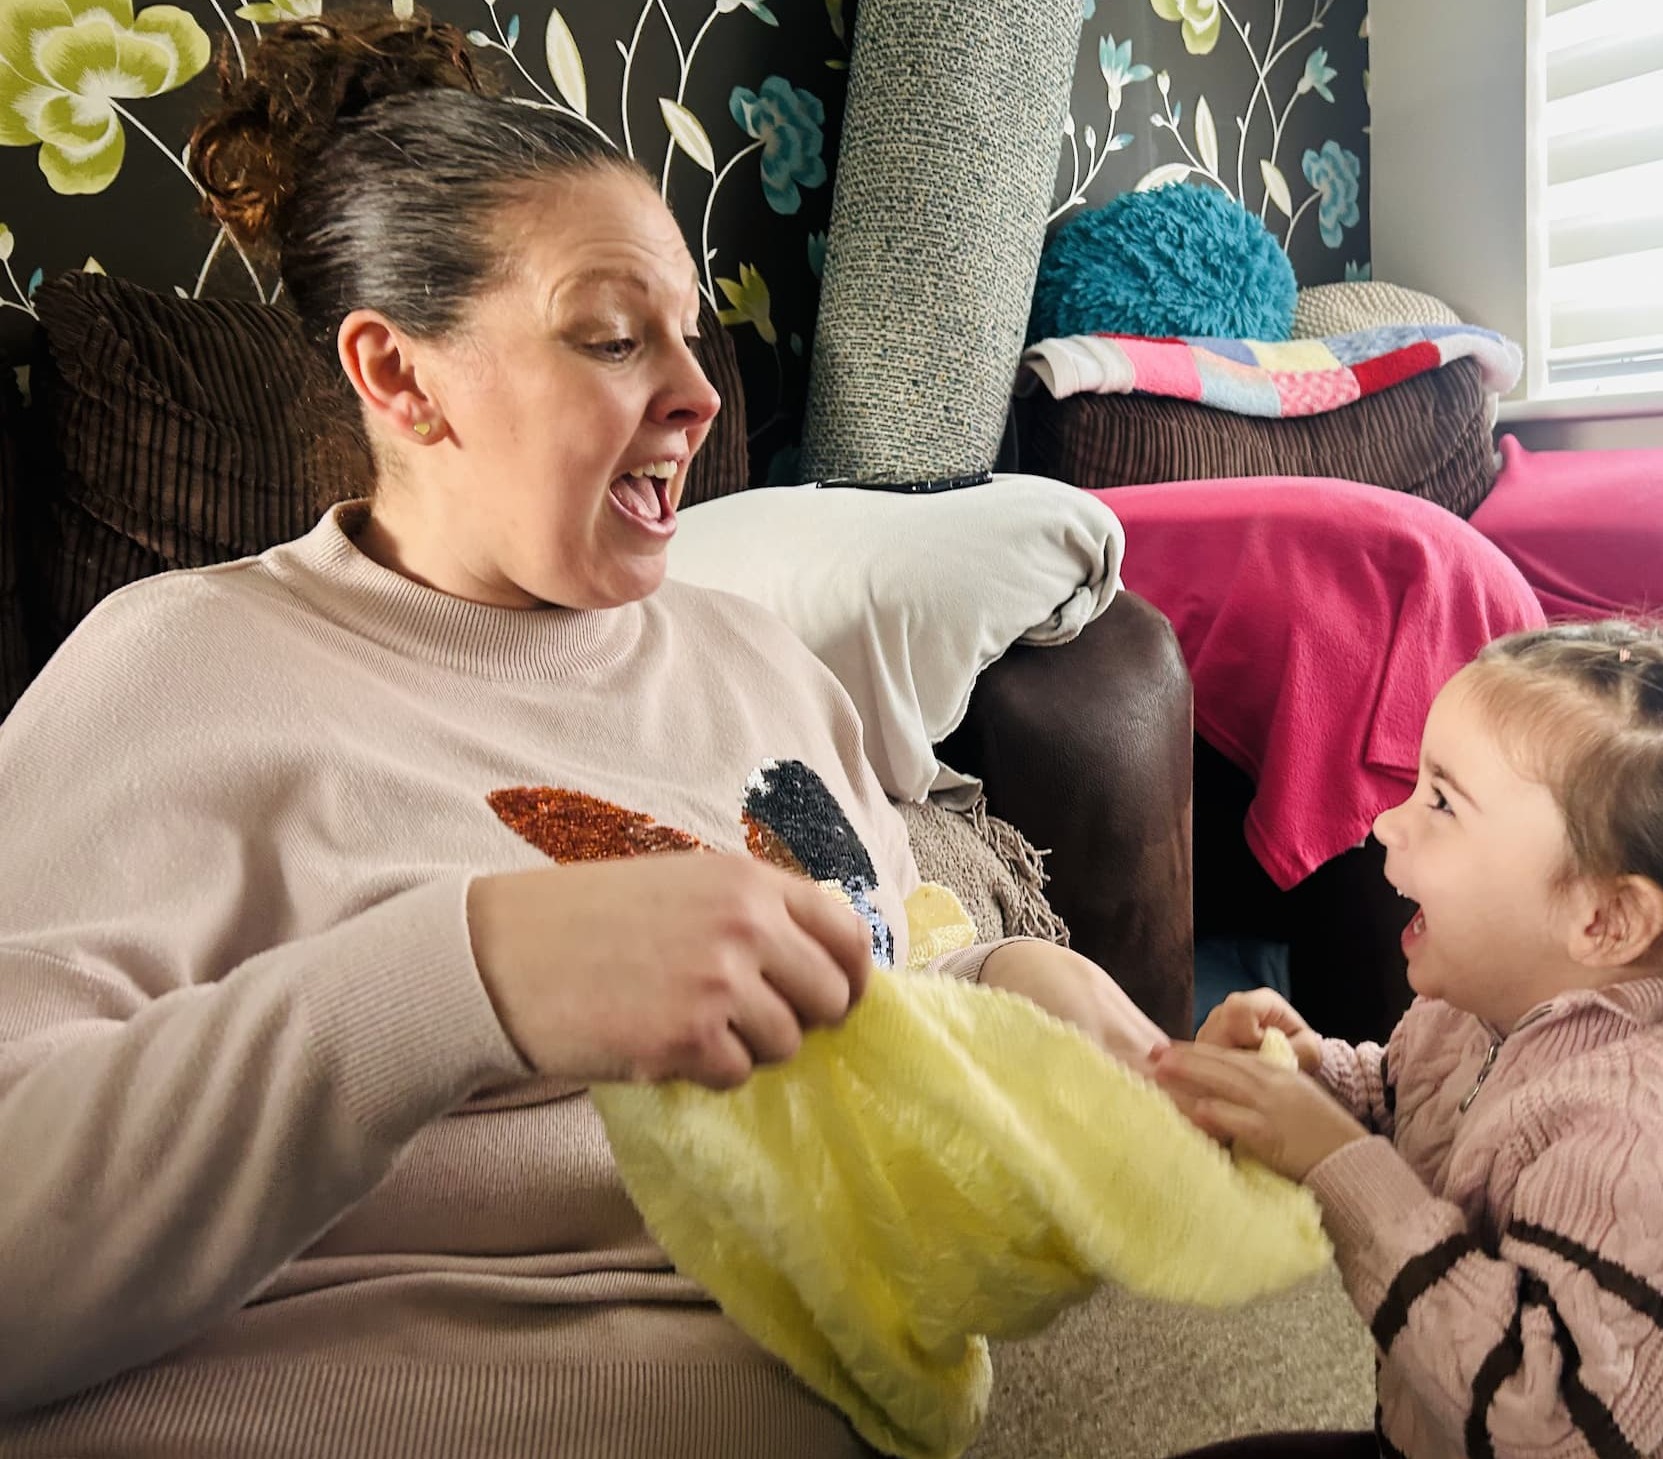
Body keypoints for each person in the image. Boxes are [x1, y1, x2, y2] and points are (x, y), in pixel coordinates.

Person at [0, 11, 1165, 1453]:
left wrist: (1018, 982)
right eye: (613, 339)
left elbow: (873, 987)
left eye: (688, 331)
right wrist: (469, 970)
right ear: (399, 377)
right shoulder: (173, 672)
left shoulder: (750, 657)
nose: (695, 394)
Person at [1152, 620, 1663, 1458]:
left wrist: (1339, 1160)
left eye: (1442, 801)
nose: (1386, 825)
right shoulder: (1491, 995)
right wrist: (1320, 1084)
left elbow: (1542, 1423)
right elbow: (1445, 1113)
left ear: (1606, 919)